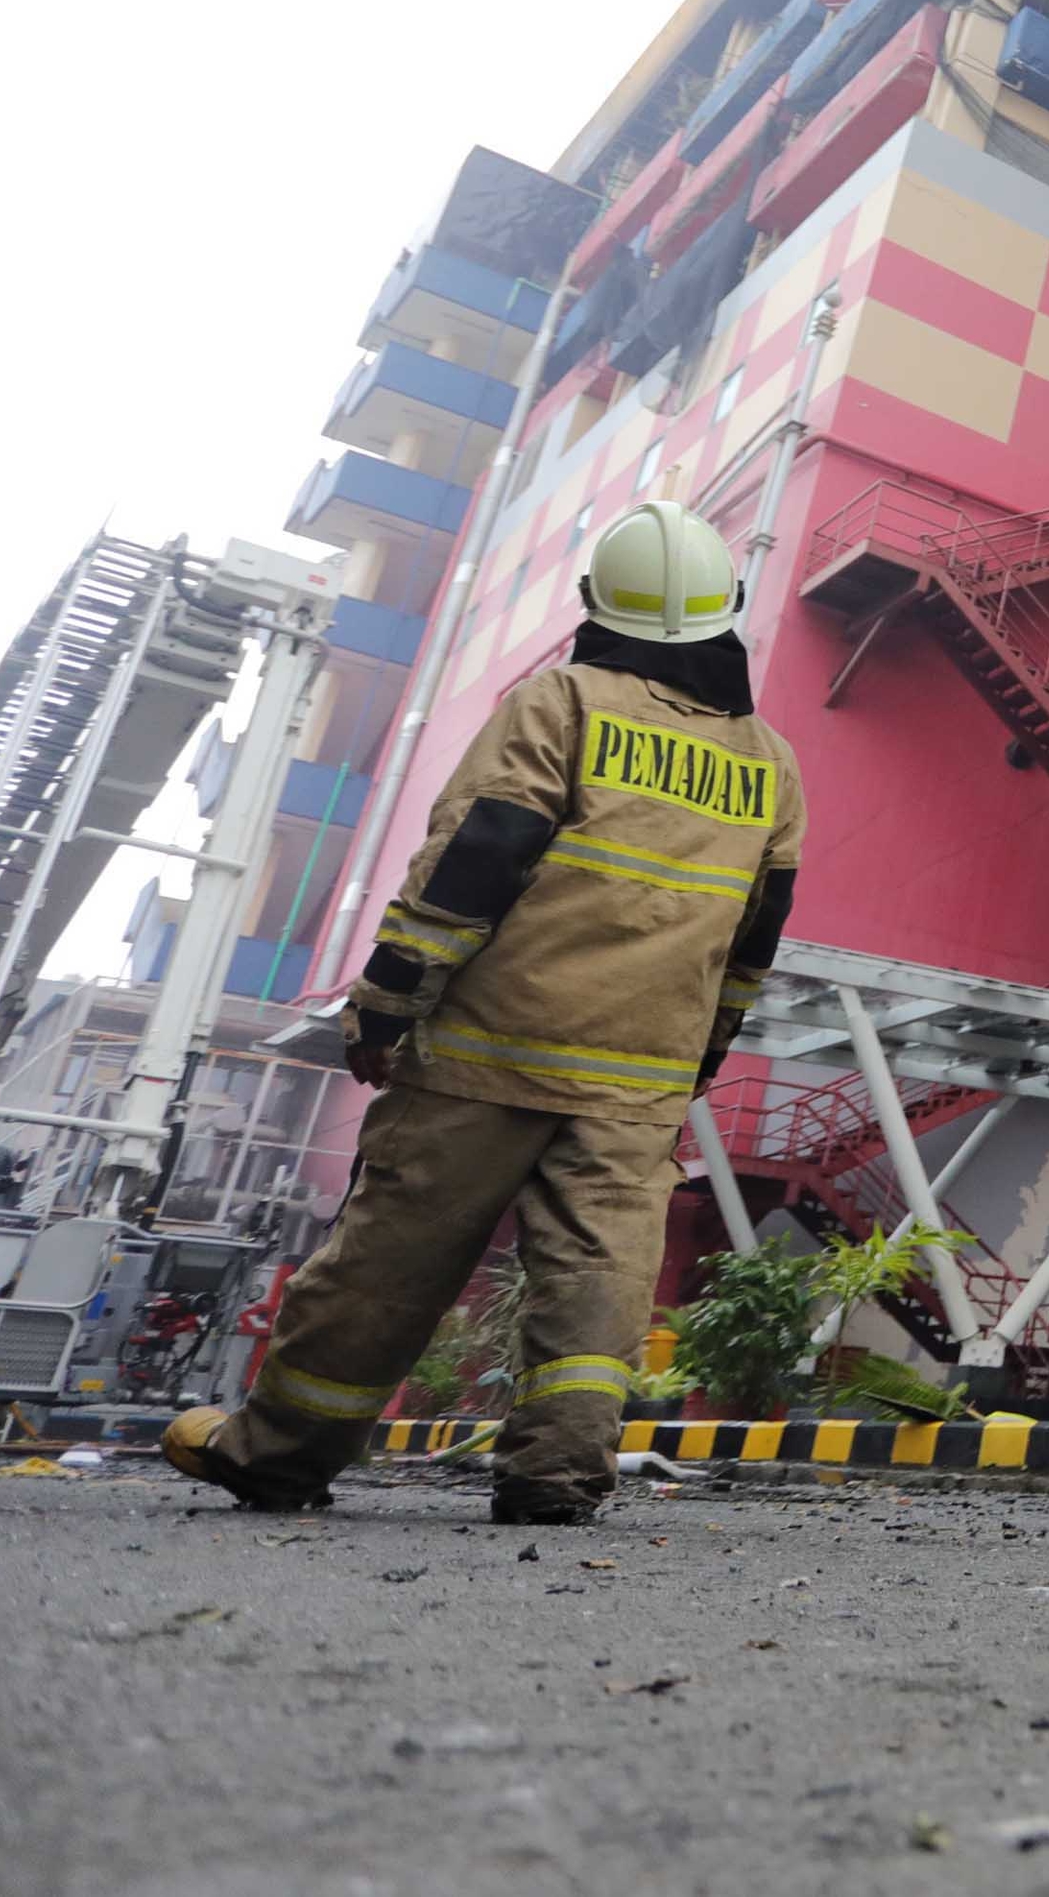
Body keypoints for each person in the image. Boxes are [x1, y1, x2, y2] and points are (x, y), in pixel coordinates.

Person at [163, 501, 801, 1525]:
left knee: (389, 1261)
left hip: (489, 1052)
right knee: (598, 1277)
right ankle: (557, 1474)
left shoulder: (562, 703)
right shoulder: (770, 763)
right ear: (724, 607)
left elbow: (475, 859)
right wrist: (699, 1060)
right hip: (641, 1076)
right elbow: (752, 941)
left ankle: (277, 1457)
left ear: (600, 605)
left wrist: (386, 1003)